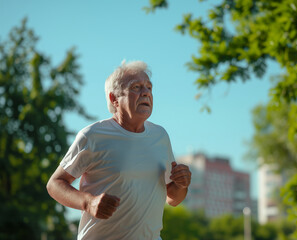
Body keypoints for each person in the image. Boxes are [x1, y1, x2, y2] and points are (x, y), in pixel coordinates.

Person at [46, 60, 192, 240]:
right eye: (136, 87)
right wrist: (88, 203)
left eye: (149, 88)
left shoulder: (160, 136)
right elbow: (55, 184)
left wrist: (182, 184)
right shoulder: (92, 135)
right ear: (114, 99)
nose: (146, 92)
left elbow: (174, 198)